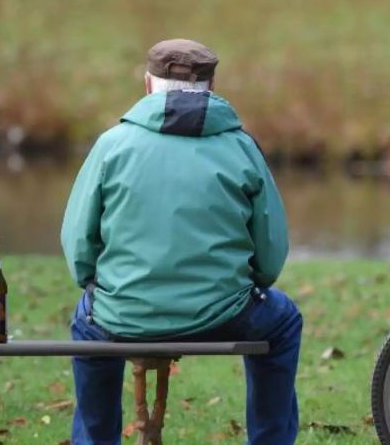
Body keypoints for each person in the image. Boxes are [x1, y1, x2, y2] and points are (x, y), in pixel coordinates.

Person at [61, 38, 300, 445]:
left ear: (147, 85)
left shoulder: (111, 146)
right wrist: (249, 283)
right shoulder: (242, 147)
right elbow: (271, 255)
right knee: (283, 320)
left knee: (88, 325)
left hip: (123, 312)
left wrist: (95, 283)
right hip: (223, 313)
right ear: (213, 85)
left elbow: (79, 248)